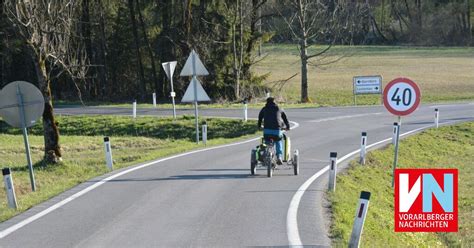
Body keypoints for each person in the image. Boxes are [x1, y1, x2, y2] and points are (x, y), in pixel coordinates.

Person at [257, 97, 290, 165]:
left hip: (267, 131)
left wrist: (259, 126)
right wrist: (288, 127)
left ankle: (266, 155)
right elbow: (285, 119)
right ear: (274, 102)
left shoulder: (264, 109)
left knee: (267, 142)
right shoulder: (279, 109)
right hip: (277, 131)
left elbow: (260, 117)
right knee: (278, 141)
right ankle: (279, 157)